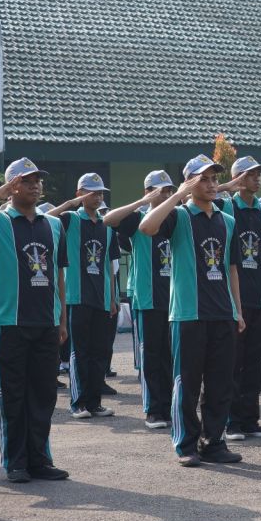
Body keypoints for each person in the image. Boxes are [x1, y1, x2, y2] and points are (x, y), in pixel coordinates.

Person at [139, 154, 245, 467]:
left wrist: (237, 310)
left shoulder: (227, 220)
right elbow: (147, 226)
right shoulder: (181, 216)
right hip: (189, 314)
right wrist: (178, 194)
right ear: (190, 182)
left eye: (214, 179)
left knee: (220, 384)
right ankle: (185, 444)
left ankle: (213, 442)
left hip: (222, 313)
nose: (212, 185)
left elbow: (233, 269)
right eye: (204, 179)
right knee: (187, 382)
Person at [0, 159, 70, 483]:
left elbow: (59, 275)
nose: (35, 186)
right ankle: (16, 461)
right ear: (12, 187)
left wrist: (62, 319)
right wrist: (0, 192)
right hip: (9, 322)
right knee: (12, 395)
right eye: (26, 181)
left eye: (38, 180)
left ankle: (40, 459)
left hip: (47, 324)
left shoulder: (53, 225)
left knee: (43, 394)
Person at [214, 156, 261, 441]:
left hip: (259, 297)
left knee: (255, 361)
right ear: (239, 177)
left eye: (258, 175)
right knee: (233, 361)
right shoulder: (226, 206)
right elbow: (197, 194)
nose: (257, 179)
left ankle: (251, 420)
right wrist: (229, 185)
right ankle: (232, 421)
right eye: (251, 175)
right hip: (233, 298)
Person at [104, 170, 177, 429]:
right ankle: (153, 410)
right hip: (148, 298)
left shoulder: (177, 219)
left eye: (169, 190)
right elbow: (108, 219)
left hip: (175, 300)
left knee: (171, 357)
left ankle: (170, 406)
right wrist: (142, 202)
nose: (166, 195)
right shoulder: (138, 220)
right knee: (152, 356)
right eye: (160, 190)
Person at [49, 173, 120, 419]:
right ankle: (78, 403)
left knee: (99, 351)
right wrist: (70, 203)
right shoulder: (70, 219)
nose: (98, 197)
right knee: (80, 351)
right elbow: (46, 218)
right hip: (77, 297)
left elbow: (110, 267)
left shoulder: (106, 224)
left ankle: (95, 402)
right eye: (93, 192)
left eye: (101, 193)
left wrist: (112, 298)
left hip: (100, 297)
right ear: (80, 194)